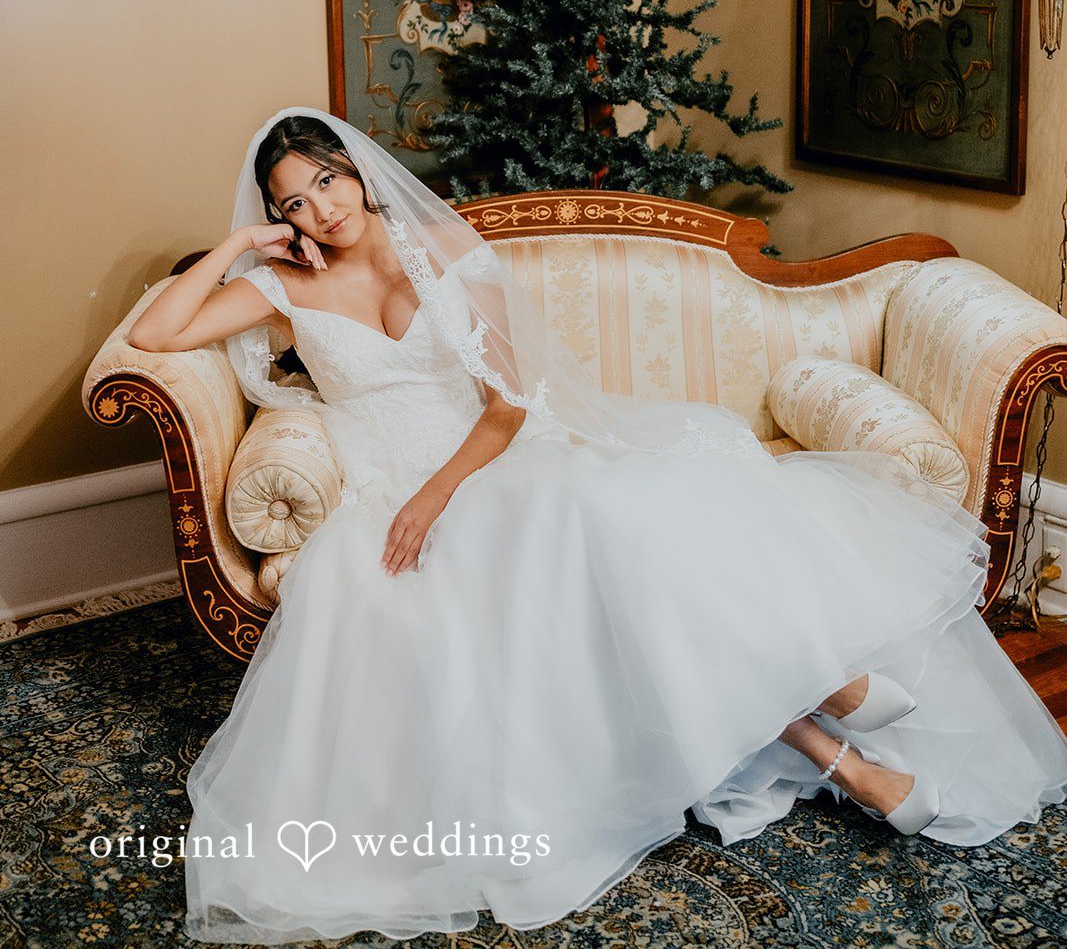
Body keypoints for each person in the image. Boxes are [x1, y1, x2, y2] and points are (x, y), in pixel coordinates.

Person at [130, 106, 1067, 945]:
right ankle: (835, 733)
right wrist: (236, 247)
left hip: (493, 465)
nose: (321, 210)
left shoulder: (448, 251)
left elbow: (503, 410)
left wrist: (436, 498)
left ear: (359, 172)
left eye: (327, 181)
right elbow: (159, 337)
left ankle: (834, 710)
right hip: (389, 505)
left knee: (609, 527)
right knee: (583, 574)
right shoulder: (285, 287)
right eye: (294, 202)